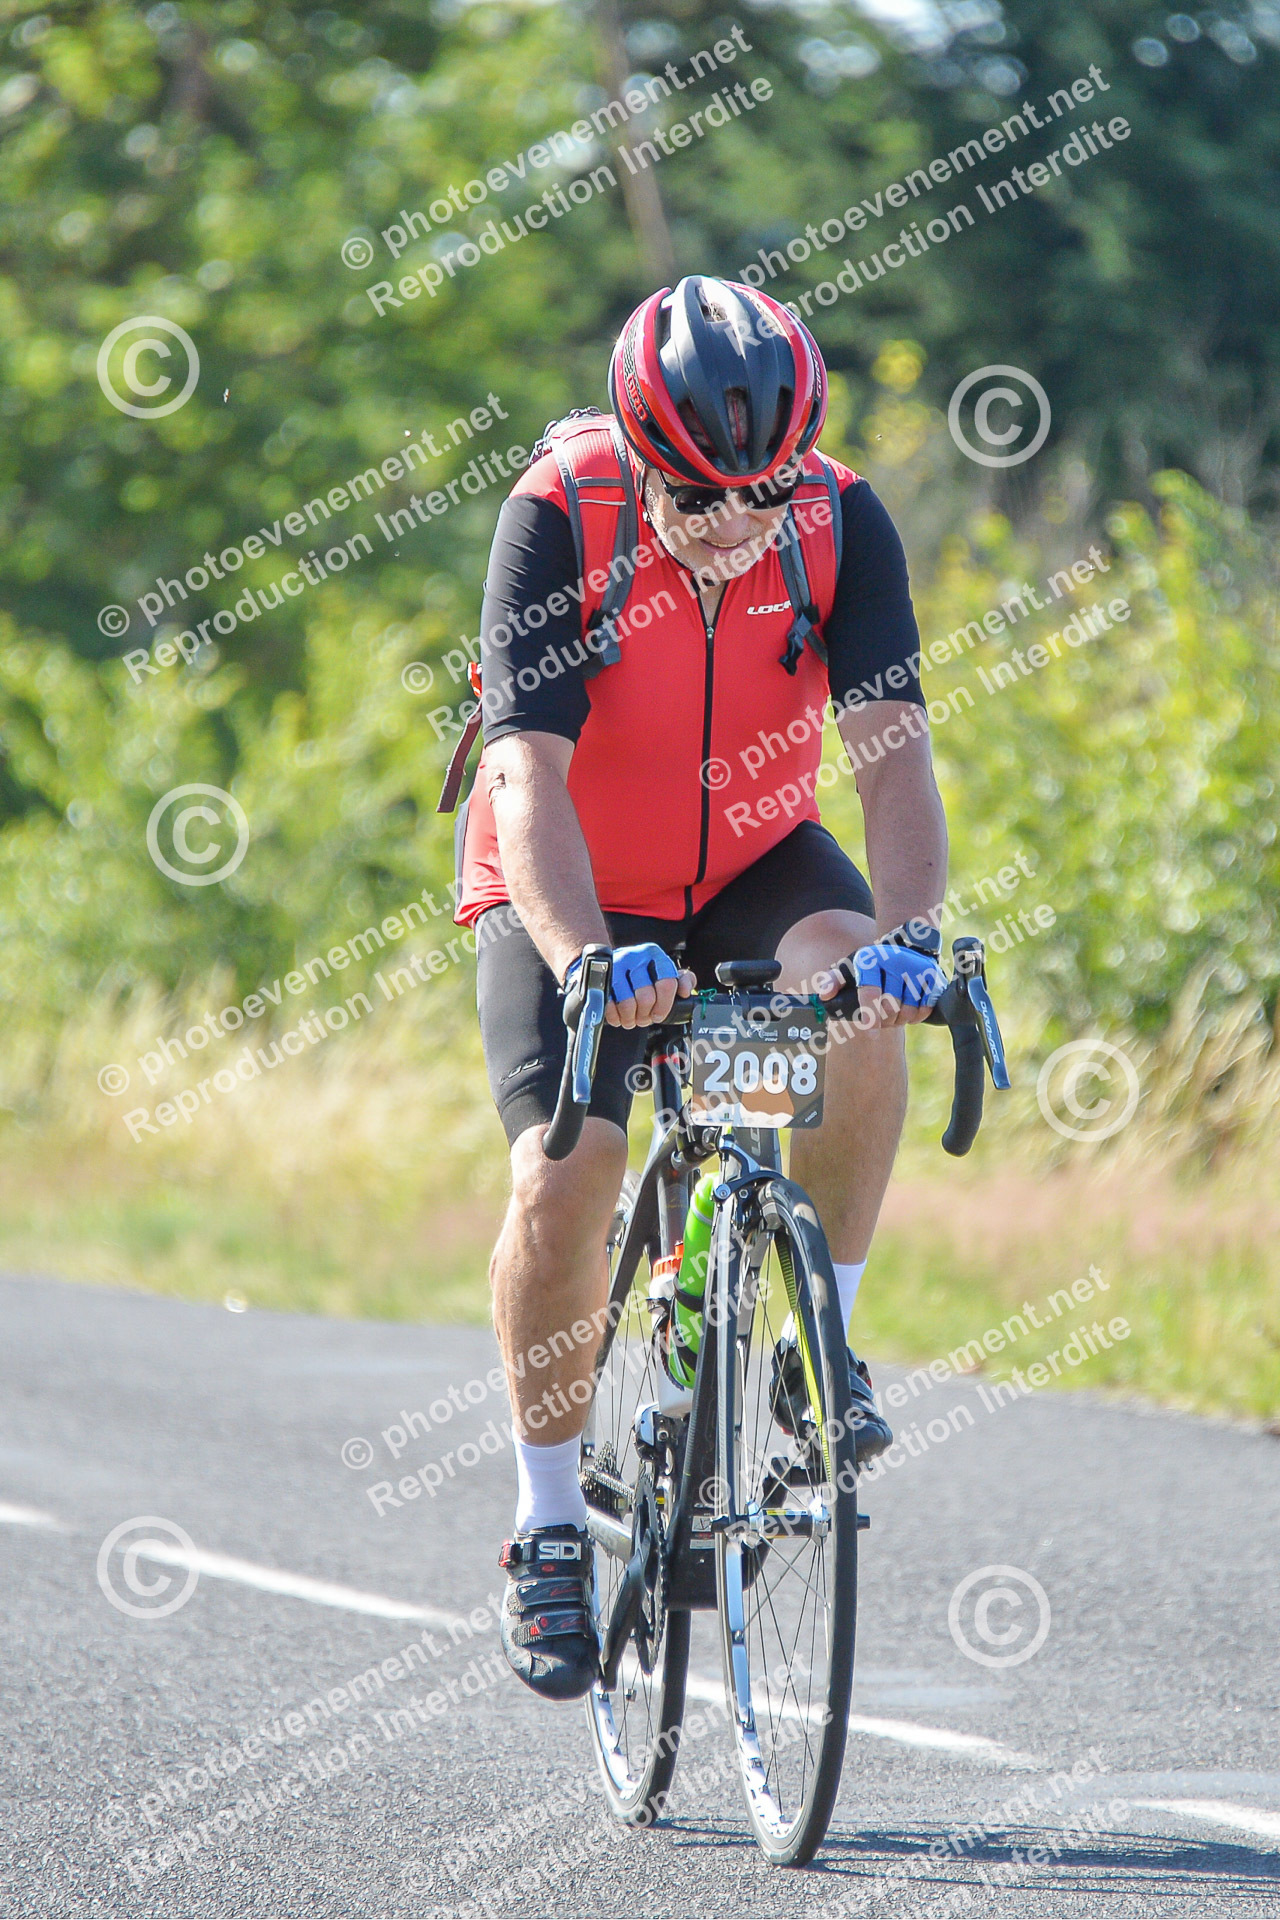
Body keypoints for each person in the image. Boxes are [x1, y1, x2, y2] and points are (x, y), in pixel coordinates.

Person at [450, 276, 947, 1701]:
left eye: (762, 495)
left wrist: (912, 937)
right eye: (697, 495)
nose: (734, 525)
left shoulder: (841, 520)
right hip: (574, 878)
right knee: (567, 1170)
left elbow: (893, 755)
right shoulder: (564, 514)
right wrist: (582, 961)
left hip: (751, 854)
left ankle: (817, 1341)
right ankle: (550, 1522)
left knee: (861, 997)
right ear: (637, 451)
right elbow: (524, 773)